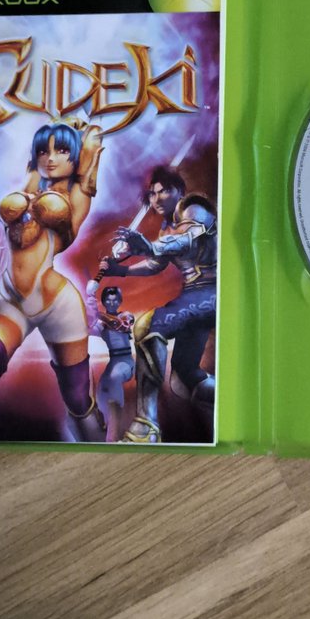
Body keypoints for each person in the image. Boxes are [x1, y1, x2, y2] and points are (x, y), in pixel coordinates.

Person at [0, 120, 105, 442]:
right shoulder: (31, 186)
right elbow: (33, 172)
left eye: (61, 151)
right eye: (44, 151)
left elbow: (88, 167)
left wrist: (87, 141)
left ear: (75, 157)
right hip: (11, 301)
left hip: (58, 304)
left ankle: (97, 442)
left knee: (76, 397)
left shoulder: (77, 195)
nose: (51, 158)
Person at [98, 165, 217, 443]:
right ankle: (227, 403)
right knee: (183, 379)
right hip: (193, 297)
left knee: (147, 326)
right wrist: (120, 270)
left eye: (164, 191)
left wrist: (149, 246)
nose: (157, 198)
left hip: (212, 291)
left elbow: (185, 240)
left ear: (179, 191)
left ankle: (145, 428)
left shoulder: (193, 208)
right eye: (152, 194)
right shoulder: (166, 229)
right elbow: (155, 265)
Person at [88, 286, 135, 443]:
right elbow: (91, 330)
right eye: (108, 300)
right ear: (104, 302)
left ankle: (114, 433)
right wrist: (90, 301)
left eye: (115, 300)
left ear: (120, 301)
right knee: (101, 391)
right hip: (113, 362)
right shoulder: (101, 322)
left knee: (114, 378)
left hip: (126, 363)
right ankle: (108, 425)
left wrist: (97, 313)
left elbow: (120, 325)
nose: (111, 303)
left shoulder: (125, 316)